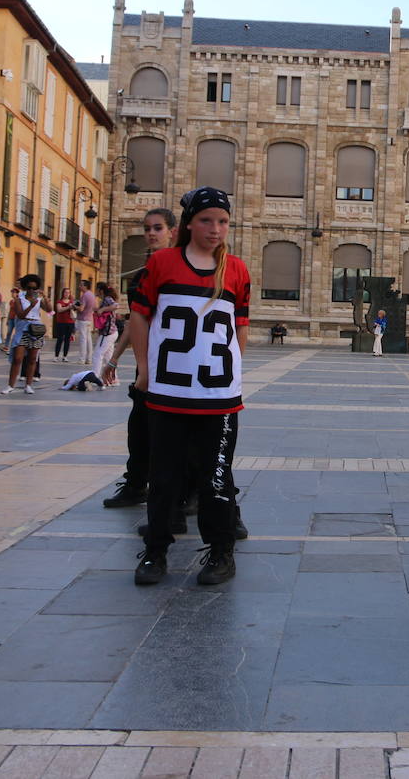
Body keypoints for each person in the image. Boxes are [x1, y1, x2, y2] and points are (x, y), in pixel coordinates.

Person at [130, 187, 250, 587]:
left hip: (217, 396)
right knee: (163, 476)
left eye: (222, 221)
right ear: (188, 224)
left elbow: (240, 326)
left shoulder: (236, 270)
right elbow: (140, 317)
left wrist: (234, 369)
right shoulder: (162, 263)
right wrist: (143, 369)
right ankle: (156, 551)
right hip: (169, 391)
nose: (215, 229)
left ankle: (220, 553)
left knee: (216, 478)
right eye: (206, 220)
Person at [102, 208, 178, 509]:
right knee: (139, 428)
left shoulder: (178, 268)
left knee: (171, 433)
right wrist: (113, 358)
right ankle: (135, 484)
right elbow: (137, 321)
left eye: (157, 228)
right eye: (147, 228)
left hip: (171, 362)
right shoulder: (145, 271)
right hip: (145, 364)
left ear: (172, 231)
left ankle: (181, 492)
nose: (151, 233)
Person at [4, 274, 45, 394]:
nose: (32, 290)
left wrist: (45, 298)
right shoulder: (19, 300)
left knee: (32, 359)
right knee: (17, 358)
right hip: (22, 330)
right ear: (25, 288)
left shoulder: (39, 300)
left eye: (34, 288)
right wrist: (31, 306)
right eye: (29, 287)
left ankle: (28, 385)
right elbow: (21, 315)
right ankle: (10, 385)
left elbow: (50, 310)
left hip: (36, 330)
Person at [91, 285, 119, 380]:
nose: (95, 291)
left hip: (107, 332)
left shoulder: (107, 299)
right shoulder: (105, 300)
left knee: (97, 354)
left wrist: (102, 309)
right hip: (112, 332)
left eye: (96, 290)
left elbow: (116, 305)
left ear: (100, 290)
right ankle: (113, 379)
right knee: (108, 357)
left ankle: (95, 376)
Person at [52, 288, 76, 361]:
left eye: (68, 293)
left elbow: (76, 310)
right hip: (61, 323)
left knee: (67, 340)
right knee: (60, 339)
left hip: (70, 323)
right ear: (63, 293)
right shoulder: (59, 302)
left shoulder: (72, 302)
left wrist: (73, 306)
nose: (67, 294)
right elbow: (59, 310)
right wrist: (68, 307)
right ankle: (56, 356)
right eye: (65, 292)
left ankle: (65, 356)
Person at [76, 281, 96, 366]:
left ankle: (82, 359)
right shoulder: (92, 295)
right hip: (89, 319)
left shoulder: (84, 296)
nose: (79, 286)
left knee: (83, 339)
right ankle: (89, 359)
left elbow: (81, 309)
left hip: (83, 319)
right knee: (89, 339)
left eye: (81, 285)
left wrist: (74, 306)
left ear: (85, 286)